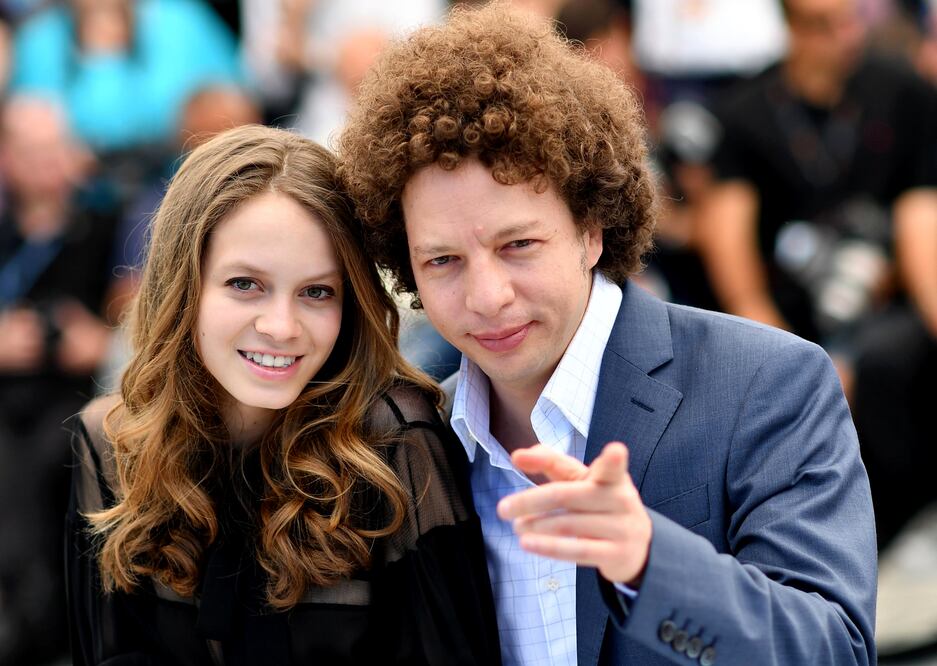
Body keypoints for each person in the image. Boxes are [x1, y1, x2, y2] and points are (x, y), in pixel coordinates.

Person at [337, 3, 877, 665]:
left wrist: (649, 563)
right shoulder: (407, 448)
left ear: (591, 229)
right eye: (442, 261)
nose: (486, 297)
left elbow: (833, 651)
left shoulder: (767, 383)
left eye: (518, 245)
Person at [65, 124, 500, 665]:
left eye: (316, 292)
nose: (281, 326)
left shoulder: (396, 446)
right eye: (245, 284)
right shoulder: (111, 446)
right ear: (184, 285)